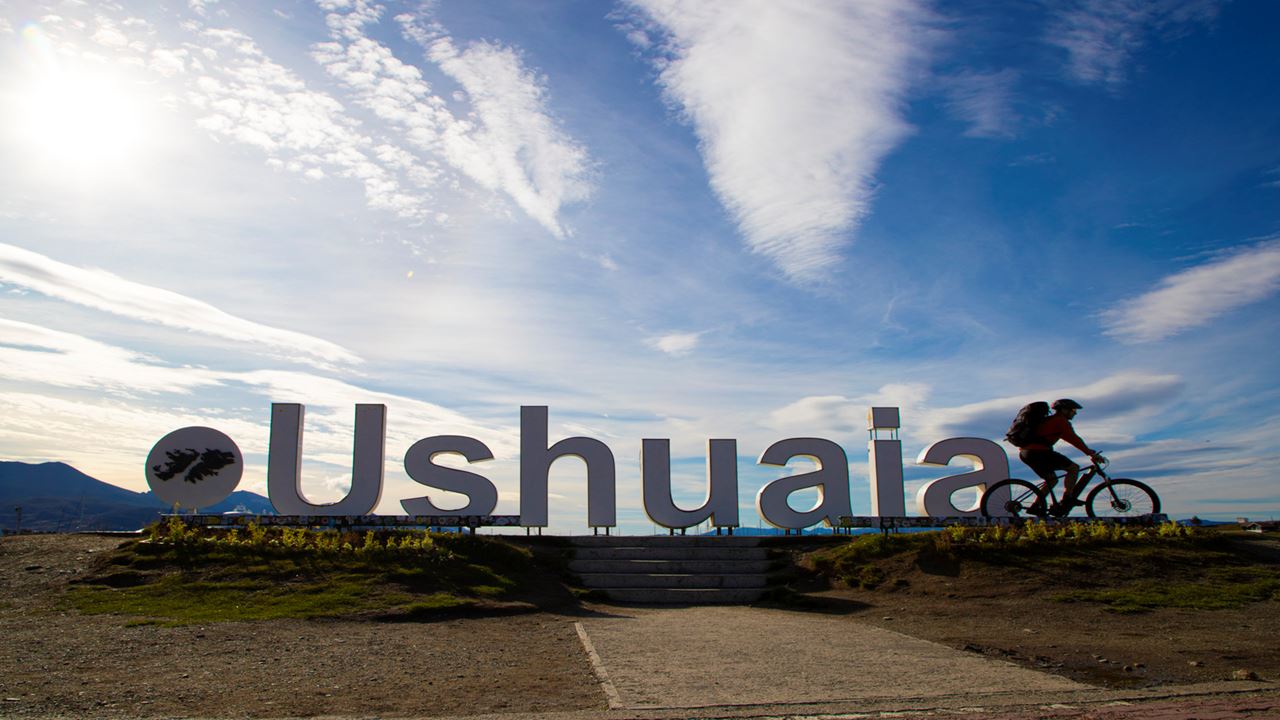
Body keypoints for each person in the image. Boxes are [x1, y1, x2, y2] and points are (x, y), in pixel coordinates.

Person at [1019, 398, 1103, 515]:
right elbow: (1074, 439)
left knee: (1052, 480)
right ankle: (1067, 498)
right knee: (1073, 468)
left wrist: (1089, 451)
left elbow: (1071, 439)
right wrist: (1090, 453)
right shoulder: (1060, 421)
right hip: (1038, 452)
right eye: (1073, 410)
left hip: (1027, 453)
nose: (1075, 413)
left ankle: (1035, 506)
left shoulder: (1051, 420)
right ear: (1064, 410)